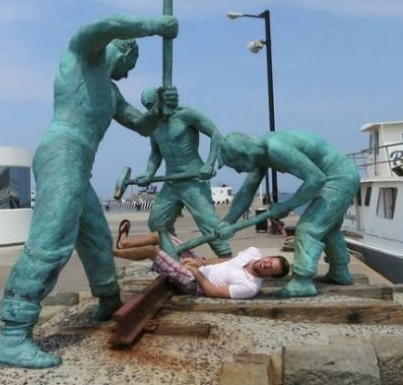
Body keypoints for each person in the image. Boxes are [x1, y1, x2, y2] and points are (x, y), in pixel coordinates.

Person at [0, 14, 178, 369]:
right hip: (62, 150)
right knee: (51, 242)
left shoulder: (111, 92)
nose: (126, 73)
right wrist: (156, 26)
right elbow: (105, 25)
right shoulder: (81, 55)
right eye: (129, 64)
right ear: (120, 49)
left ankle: (108, 301)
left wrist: (159, 109)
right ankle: (13, 336)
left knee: (94, 237)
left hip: (80, 164)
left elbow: (142, 126)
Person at [217, 131, 360, 298]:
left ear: (242, 154)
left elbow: (316, 179)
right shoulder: (260, 155)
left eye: (234, 165)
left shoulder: (276, 148)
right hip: (337, 176)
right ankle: (340, 271)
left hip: (340, 178)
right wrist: (229, 222)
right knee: (327, 228)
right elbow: (246, 191)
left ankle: (302, 281)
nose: (238, 171)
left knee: (308, 229)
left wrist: (286, 206)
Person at [135, 88, 231, 257]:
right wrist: (148, 173)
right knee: (157, 223)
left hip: (193, 178)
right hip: (171, 182)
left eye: (153, 105)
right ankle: (177, 257)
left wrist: (209, 164)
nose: (151, 111)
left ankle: (227, 259)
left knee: (209, 225)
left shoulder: (186, 114)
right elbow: (155, 154)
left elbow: (215, 134)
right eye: (147, 107)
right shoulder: (153, 125)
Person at [113, 219, 290, 298]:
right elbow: (225, 261)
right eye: (270, 261)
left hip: (194, 283)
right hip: (201, 267)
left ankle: (113, 253)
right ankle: (125, 243)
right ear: (268, 257)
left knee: (152, 251)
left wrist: (196, 272)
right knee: (163, 236)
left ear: (268, 277)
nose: (266, 264)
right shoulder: (253, 252)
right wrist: (201, 262)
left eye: (270, 268)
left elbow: (212, 292)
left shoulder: (250, 287)